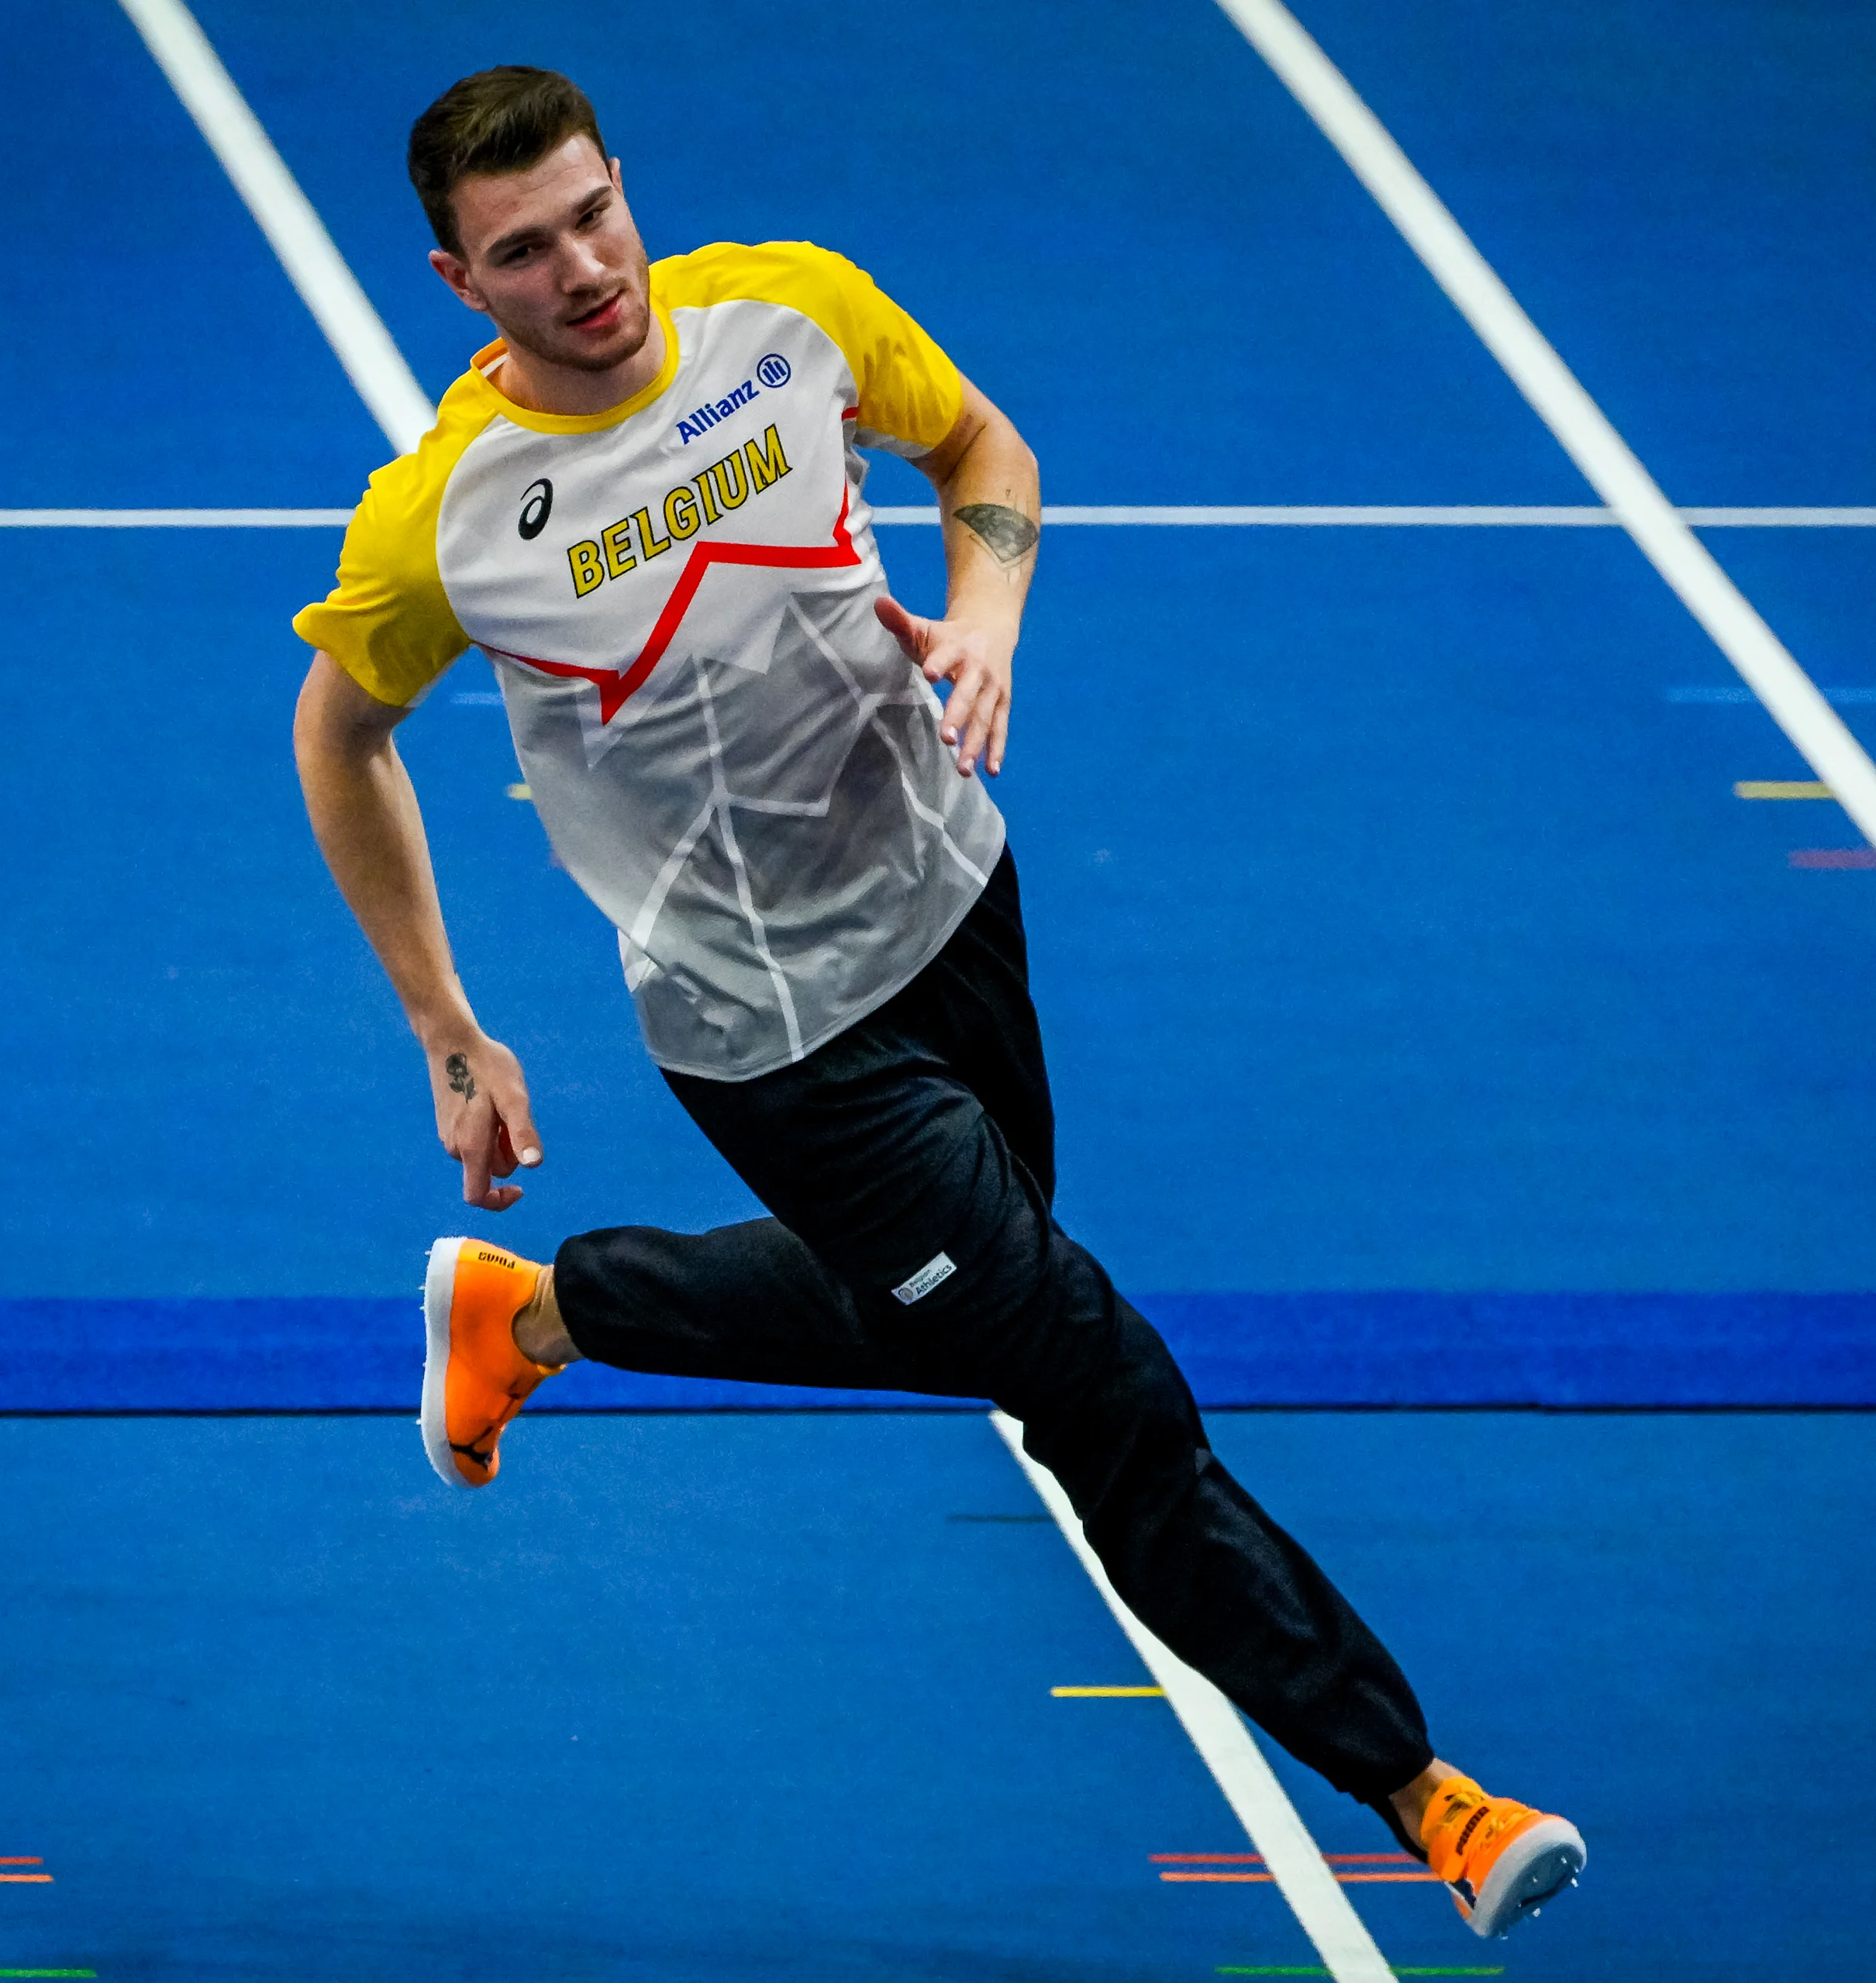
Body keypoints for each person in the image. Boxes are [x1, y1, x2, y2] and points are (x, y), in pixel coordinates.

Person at [290, 65, 1584, 1940]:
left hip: (957, 903)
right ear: (453, 278)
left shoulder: (791, 310)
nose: (581, 268)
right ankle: (1422, 1787)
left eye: (591, 213)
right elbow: (344, 738)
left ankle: (543, 1311)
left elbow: (984, 454)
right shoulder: (451, 519)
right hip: (771, 1033)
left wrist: (988, 616)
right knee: (1090, 1378)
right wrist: (444, 1021)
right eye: (521, 251)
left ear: (622, 184)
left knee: (966, 1305)